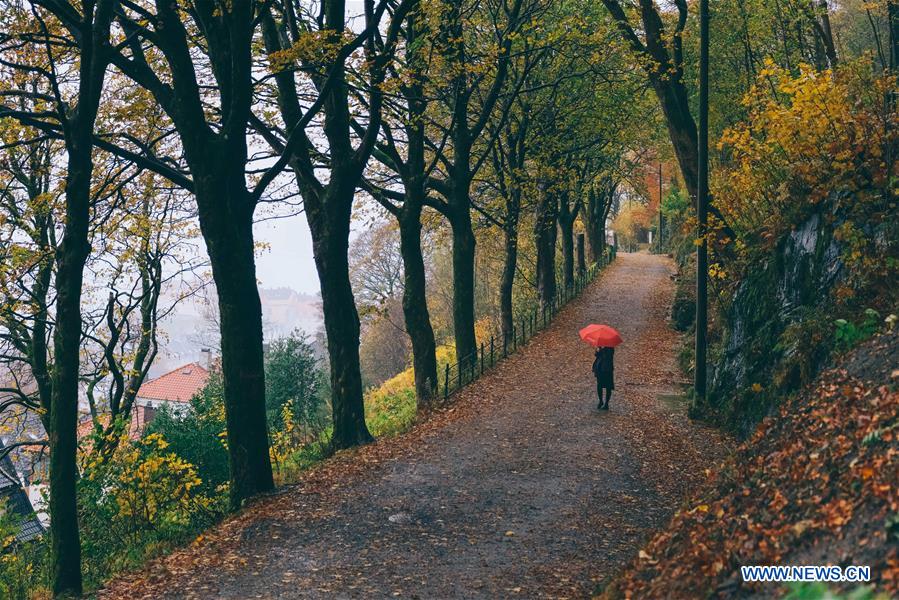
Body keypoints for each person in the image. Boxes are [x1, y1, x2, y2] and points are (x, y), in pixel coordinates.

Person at [592, 346, 615, 410]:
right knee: (599, 385)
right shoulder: (601, 346)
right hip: (600, 368)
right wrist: (597, 350)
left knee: (608, 386)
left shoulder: (610, 348)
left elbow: (607, 357)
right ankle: (601, 401)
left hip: (607, 369)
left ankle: (606, 403)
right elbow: (597, 355)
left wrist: (601, 350)